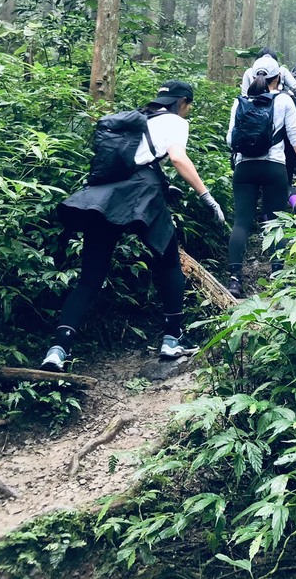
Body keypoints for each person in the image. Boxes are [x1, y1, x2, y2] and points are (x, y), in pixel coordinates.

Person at [40, 80, 225, 372]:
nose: (188, 111)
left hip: (106, 196)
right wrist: (207, 197)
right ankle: (171, 338)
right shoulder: (175, 121)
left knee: (90, 277)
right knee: (168, 263)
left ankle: (58, 349)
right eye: (189, 106)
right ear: (183, 102)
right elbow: (177, 157)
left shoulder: (139, 120)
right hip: (143, 194)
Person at [226, 56, 296, 298]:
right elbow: (294, 138)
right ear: (278, 78)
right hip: (274, 167)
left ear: (254, 76)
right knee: (276, 222)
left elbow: (229, 140)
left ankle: (235, 280)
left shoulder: (240, 102)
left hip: (244, 168)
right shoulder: (284, 100)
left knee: (241, 222)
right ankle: (277, 277)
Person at [241, 48, 296, 214]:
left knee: (260, 181)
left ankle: (263, 218)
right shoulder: (282, 74)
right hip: (284, 133)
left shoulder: (249, 73)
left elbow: (244, 101)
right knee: (285, 174)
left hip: (256, 136)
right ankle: (294, 200)